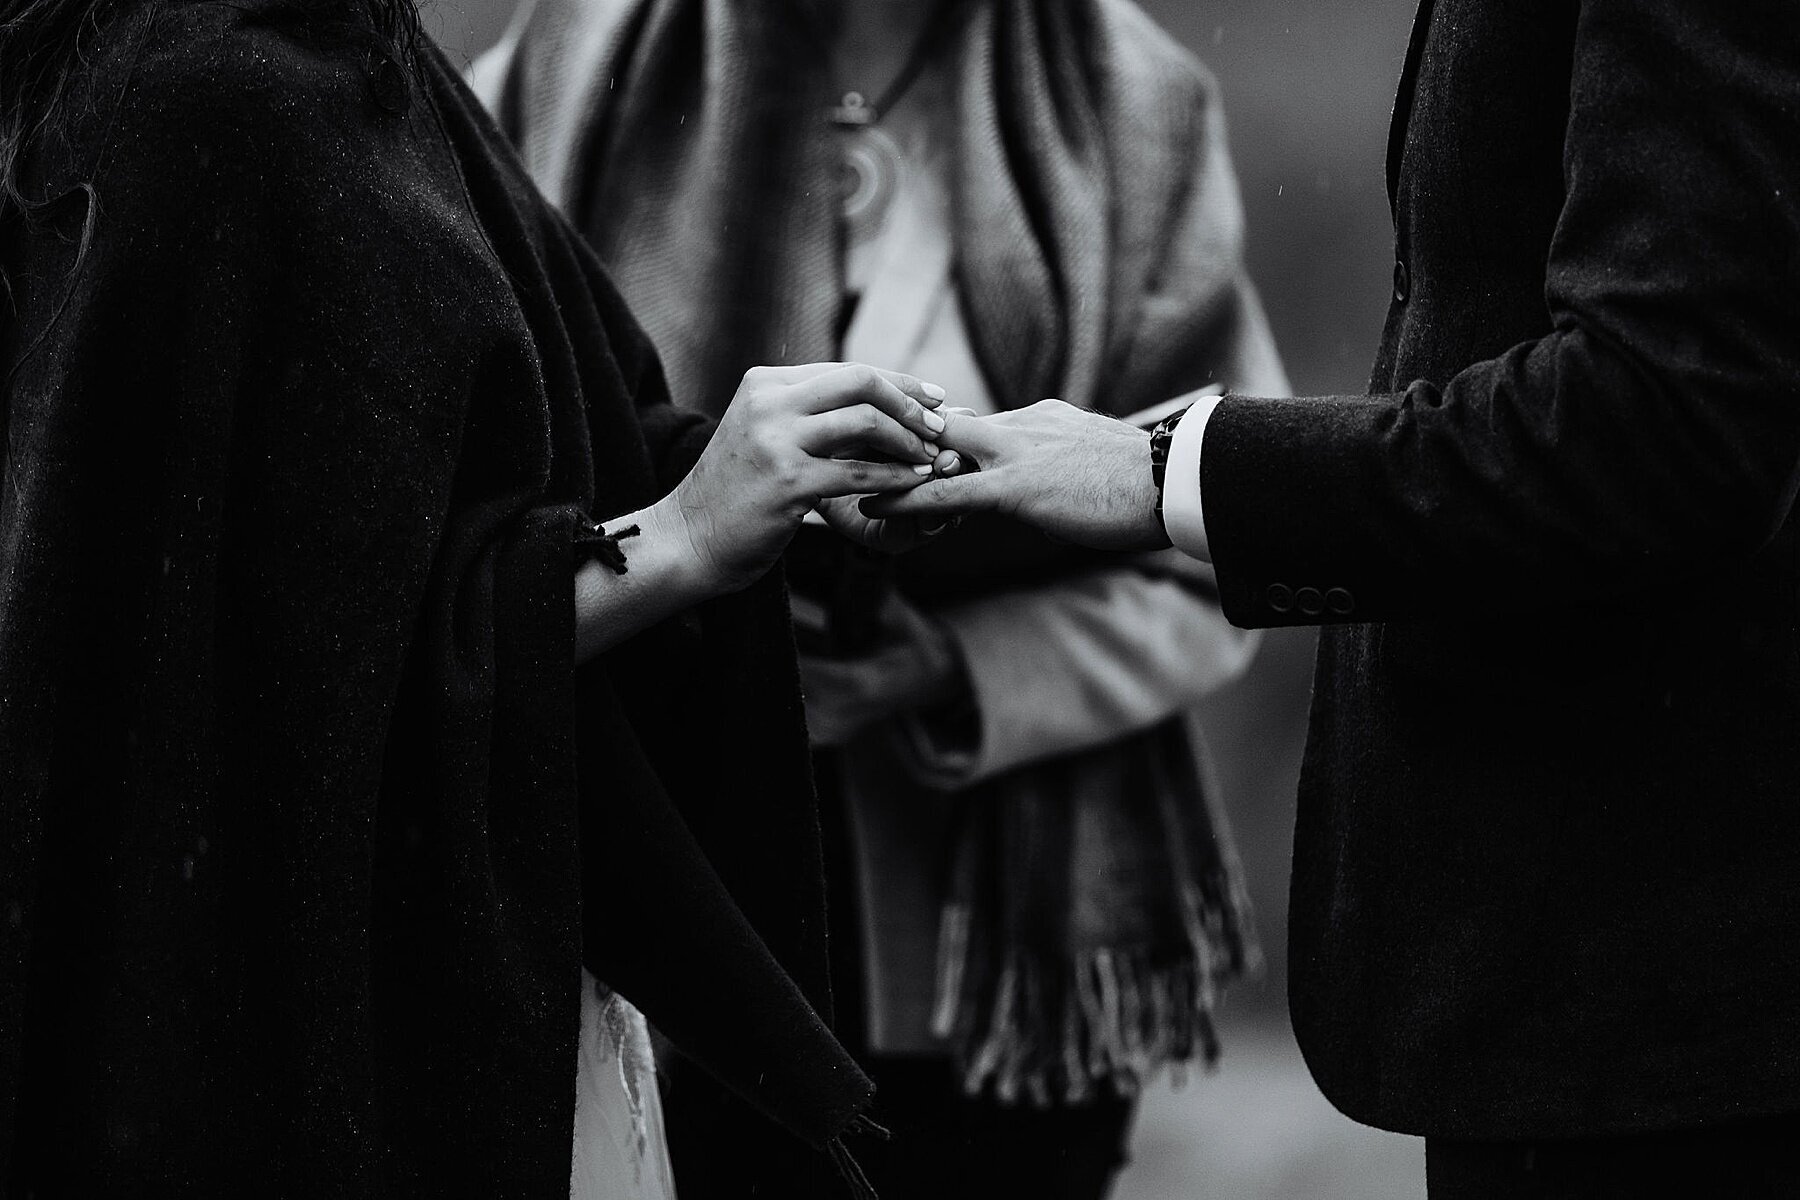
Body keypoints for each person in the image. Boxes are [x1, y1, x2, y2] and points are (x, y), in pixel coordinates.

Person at [0, 0, 958, 1193]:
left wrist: (787, 476)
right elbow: (293, 664)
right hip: (331, 1027)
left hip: (472, 951)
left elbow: (532, 447)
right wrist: (685, 535)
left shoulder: (352, 50)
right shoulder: (207, 95)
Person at [872, 1, 1800, 1195]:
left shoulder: (1122, 89)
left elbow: (1671, 419)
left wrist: (1168, 470)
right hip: (1621, 997)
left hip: (1671, 1006)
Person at [472, 0, 1281, 1195]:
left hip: (993, 950)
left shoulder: (1134, 96)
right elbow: (487, 453)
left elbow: (1212, 516)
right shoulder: (574, 61)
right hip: (665, 876)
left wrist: (958, 667)